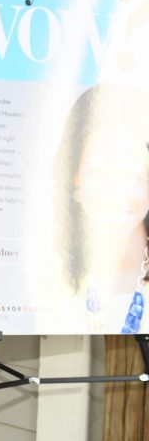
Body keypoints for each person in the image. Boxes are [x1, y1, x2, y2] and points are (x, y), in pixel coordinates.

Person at [53, 81, 149, 333]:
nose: (114, 191)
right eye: (99, 171)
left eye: (132, 174)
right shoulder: (49, 282)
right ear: (75, 175)